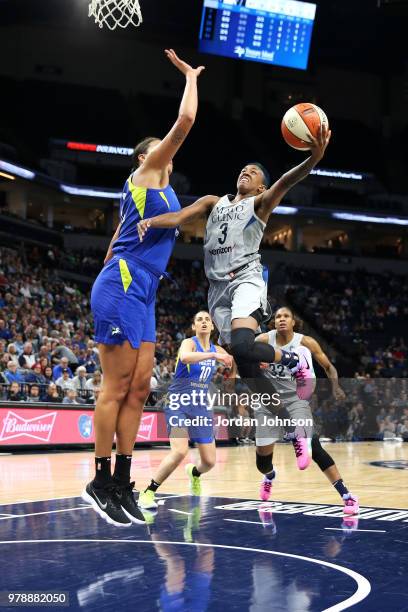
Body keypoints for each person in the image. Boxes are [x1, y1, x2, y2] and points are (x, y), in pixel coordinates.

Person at [82, 49, 205, 527]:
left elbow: (147, 226)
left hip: (146, 288)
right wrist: (190, 77)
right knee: (115, 387)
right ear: (144, 157)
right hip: (124, 284)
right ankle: (100, 478)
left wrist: (195, 210)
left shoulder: (165, 194)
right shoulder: (145, 174)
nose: (165, 152)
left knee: (138, 390)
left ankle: (123, 479)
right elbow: (188, 118)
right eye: (157, 148)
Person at [137, 126, 331, 388]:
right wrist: (151, 221)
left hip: (245, 279)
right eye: (243, 169)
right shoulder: (212, 202)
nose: (245, 171)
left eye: (253, 172)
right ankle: (277, 412)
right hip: (217, 287)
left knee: (241, 343)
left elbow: (286, 181)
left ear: (261, 186)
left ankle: (293, 360)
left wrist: (314, 158)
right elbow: (179, 217)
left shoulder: (260, 204)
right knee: (242, 356)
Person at [254, 306, 359, 515]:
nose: (281, 319)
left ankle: (347, 496)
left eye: (286, 316)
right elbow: (244, 358)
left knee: (315, 448)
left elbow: (329, 367)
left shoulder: (306, 342)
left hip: (295, 401)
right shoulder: (264, 340)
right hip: (269, 402)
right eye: (277, 317)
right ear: (273, 322)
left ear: (294, 321)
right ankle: (270, 475)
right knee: (262, 462)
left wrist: (336, 386)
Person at [138, 311, 232, 510]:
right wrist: (214, 355)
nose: (204, 322)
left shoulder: (218, 349)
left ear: (213, 327)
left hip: (200, 408)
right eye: (199, 319)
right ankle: (148, 492)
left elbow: (233, 365)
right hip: (177, 404)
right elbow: (186, 357)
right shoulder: (189, 343)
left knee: (209, 462)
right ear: (194, 327)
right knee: (179, 451)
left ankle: (195, 474)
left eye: (207, 319)